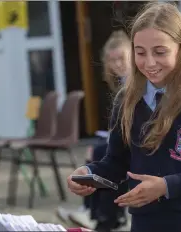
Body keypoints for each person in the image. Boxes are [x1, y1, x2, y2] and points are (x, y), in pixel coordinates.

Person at [67, 2, 181, 232]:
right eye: (140, 52)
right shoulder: (126, 99)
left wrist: (166, 186)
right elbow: (116, 162)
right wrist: (90, 173)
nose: (149, 63)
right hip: (144, 222)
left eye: (160, 52)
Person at [57, 30, 131, 231]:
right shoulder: (120, 84)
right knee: (99, 153)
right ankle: (94, 212)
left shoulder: (134, 83)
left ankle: (102, 215)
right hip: (127, 141)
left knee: (103, 154)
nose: (117, 64)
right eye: (112, 60)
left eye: (121, 58)